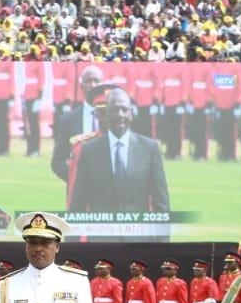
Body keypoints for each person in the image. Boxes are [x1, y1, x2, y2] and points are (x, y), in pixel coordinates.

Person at [69, 87, 170, 220]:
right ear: (107, 114)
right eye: (115, 110)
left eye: (124, 109)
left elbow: (161, 203)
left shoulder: (149, 149)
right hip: (102, 238)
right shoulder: (89, 151)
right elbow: (78, 205)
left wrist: (161, 240)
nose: (120, 114)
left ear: (131, 114)